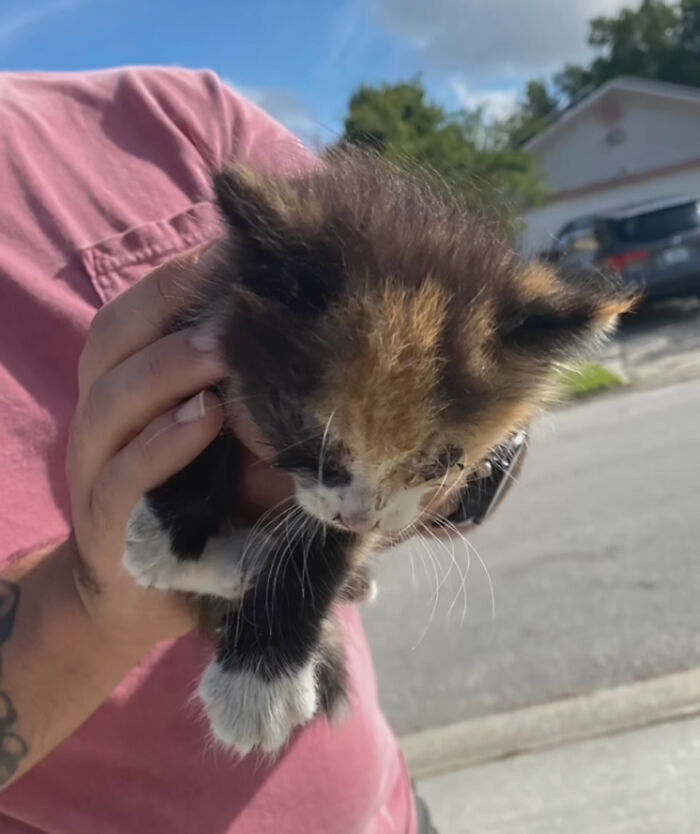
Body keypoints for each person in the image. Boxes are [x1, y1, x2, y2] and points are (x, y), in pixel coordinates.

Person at [0, 67, 525, 833]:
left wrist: (451, 469)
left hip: (392, 811)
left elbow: (479, 376)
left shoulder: (171, 113)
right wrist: (92, 606)